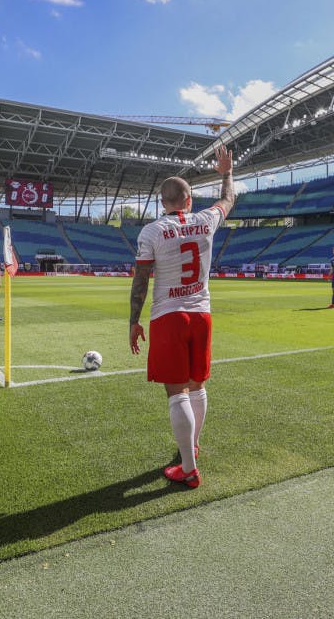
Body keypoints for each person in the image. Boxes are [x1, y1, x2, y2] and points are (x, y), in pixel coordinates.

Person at [129, 145, 235, 490]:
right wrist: (225, 173)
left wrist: (134, 320)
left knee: (177, 394)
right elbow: (228, 200)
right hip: (202, 314)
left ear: (164, 203)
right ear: (189, 200)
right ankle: (192, 447)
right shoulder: (206, 221)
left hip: (168, 317)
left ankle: (188, 469)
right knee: (198, 386)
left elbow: (141, 280)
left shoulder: (151, 231)